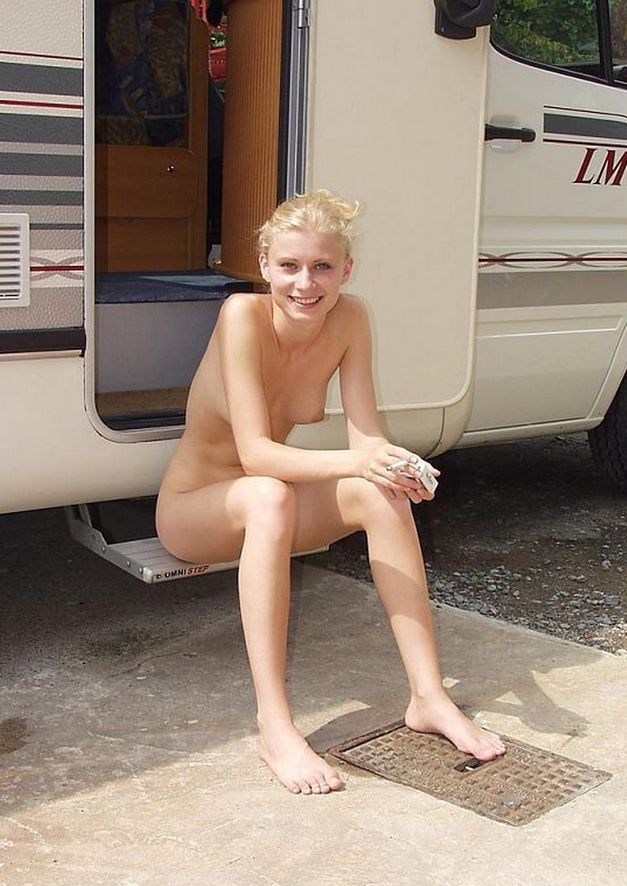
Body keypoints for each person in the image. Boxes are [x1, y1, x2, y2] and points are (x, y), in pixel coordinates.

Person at [156, 190, 506, 795]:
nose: (305, 283)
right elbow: (256, 455)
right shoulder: (241, 316)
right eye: (289, 266)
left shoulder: (351, 319)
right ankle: (275, 727)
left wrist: (396, 466)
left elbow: (367, 437)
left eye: (322, 266)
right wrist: (361, 461)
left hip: (271, 501)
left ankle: (428, 697)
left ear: (346, 269)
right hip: (197, 510)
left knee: (381, 496)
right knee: (269, 493)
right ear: (264, 265)